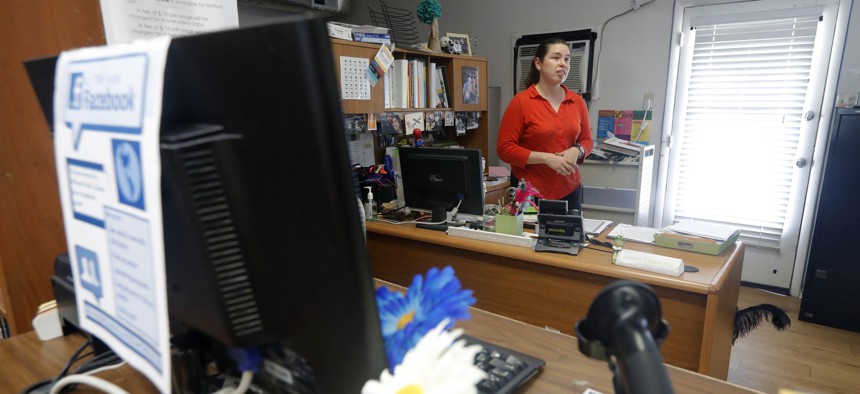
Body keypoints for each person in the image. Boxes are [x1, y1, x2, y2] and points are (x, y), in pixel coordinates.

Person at [497, 38, 594, 210]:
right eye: (556, 58)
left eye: (567, 59)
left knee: (569, 237)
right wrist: (545, 158)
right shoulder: (522, 102)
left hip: (570, 190)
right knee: (531, 237)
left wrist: (577, 150)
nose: (563, 64)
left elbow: (587, 141)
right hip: (530, 193)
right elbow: (505, 149)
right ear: (538, 63)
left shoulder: (577, 102)